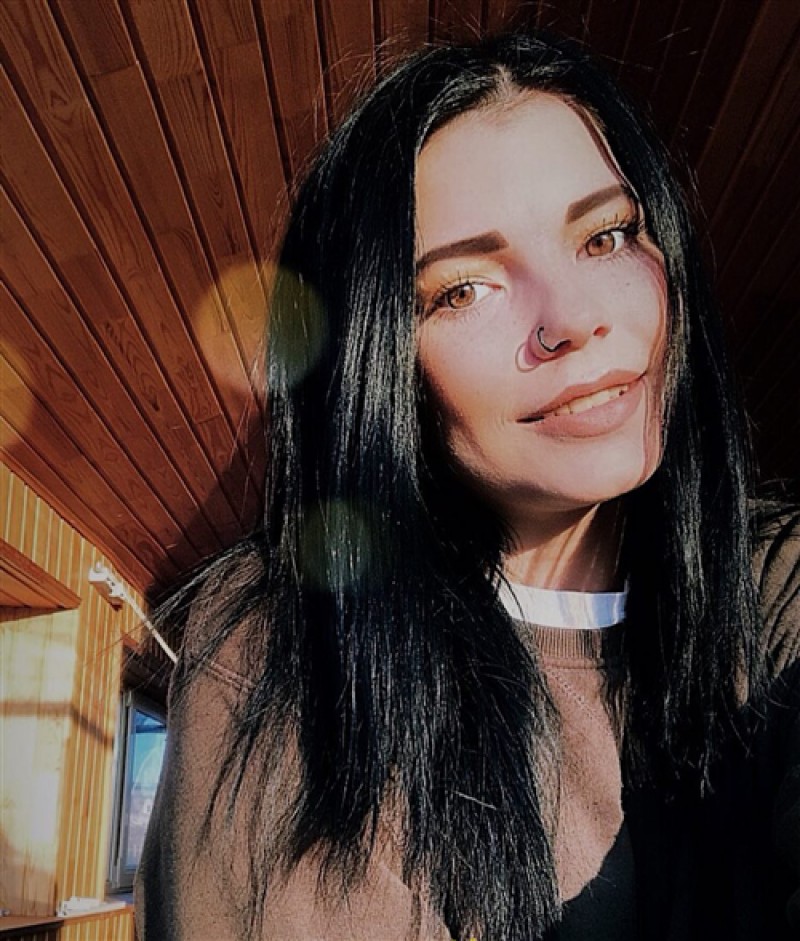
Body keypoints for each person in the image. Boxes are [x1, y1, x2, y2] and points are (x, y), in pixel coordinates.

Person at [135, 30, 799, 941]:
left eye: (606, 235)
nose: (572, 320)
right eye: (463, 290)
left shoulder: (774, 581)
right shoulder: (288, 645)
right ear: (382, 364)